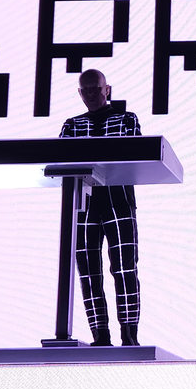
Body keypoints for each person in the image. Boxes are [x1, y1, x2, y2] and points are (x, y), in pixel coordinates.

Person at [60, 69, 141, 347]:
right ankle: (100, 337)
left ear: (107, 89)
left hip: (119, 201)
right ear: (79, 94)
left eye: (96, 88)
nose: (91, 94)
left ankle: (129, 337)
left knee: (125, 269)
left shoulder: (127, 119)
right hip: (84, 205)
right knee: (88, 272)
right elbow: (59, 158)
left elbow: (136, 154)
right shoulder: (71, 125)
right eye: (85, 90)